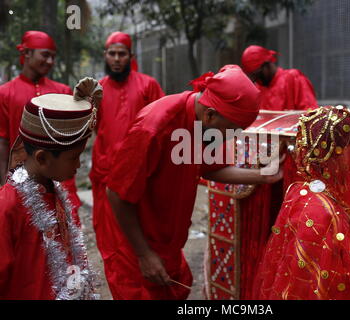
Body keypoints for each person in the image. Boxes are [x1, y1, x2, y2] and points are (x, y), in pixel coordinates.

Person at [105, 65, 283, 300]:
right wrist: (144, 254)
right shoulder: (153, 128)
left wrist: (263, 177)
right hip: (134, 244)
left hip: (168, 240)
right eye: (231, 131)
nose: (231, 137)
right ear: (210, 115)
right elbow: (116, 194)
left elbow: (212, 170)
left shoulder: (204, 124)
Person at [252, 106, 350, 300]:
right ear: (333, 158)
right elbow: (315, 287)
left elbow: (330, 257)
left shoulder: (307, 190)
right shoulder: (318, 211)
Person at [0, 77, 102, 299]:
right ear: (42, 158)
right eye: (74, 157)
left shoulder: (52, 190)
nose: (79, 165)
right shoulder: (8, 206)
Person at [90, 31, 164, 273]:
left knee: (141, 239)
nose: (116, 59)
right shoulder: (97, 90)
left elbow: (163, 126)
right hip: (105, 179)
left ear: (131, 56)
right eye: (112, 54)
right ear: (105, 56)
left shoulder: (148, 85)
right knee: (112, 247)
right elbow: (91, 128)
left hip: (140, 180)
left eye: (122, 54)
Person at [0, 30, 81, 215]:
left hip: (61, 180)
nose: (50, 62)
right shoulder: (5, 93)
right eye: (45, 55)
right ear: (27, 53)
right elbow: (2, 141)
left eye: (53, 57)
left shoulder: (63, 91)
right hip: (23, 182)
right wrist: (5, 182)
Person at [241, 45, 318, 111]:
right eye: (253, 78)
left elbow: (311, 113)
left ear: (266, 65)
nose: (257, 80)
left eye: (258, 75)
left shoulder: (293, 78)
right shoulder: (259, 87)